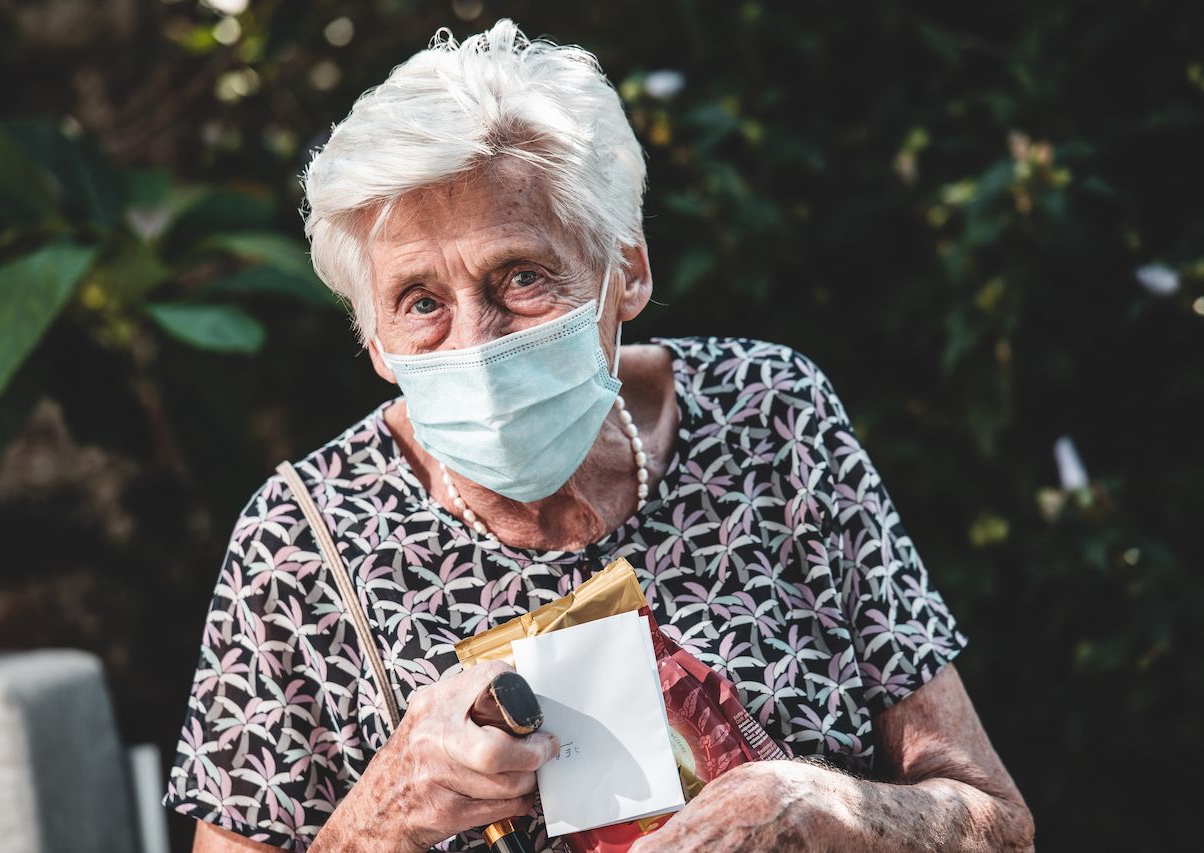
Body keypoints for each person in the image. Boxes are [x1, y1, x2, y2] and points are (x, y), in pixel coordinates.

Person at [165, 19, 1034, 853]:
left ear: (628, 268)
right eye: (421, 302)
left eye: (521, 275)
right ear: (376, 343)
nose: (478, 339)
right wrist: (380, 819)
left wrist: (823, 807)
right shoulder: (303, 539)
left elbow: (998, 823)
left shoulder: (771, 415)